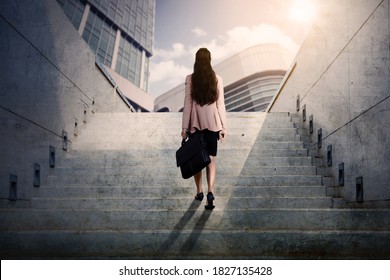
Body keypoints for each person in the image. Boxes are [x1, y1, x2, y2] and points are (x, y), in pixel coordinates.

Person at [181, 48, 227, 210]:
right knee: (211, 161)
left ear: (196, 60)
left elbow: (187, 105)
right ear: (209, 60)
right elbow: (220, 105)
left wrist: (184, 128)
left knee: (196, 159)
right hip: (213, 124)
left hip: (195, 126)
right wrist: (223, 127)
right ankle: (211, 193)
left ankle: (199, 191)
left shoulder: (190, 79)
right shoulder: (217, 79)